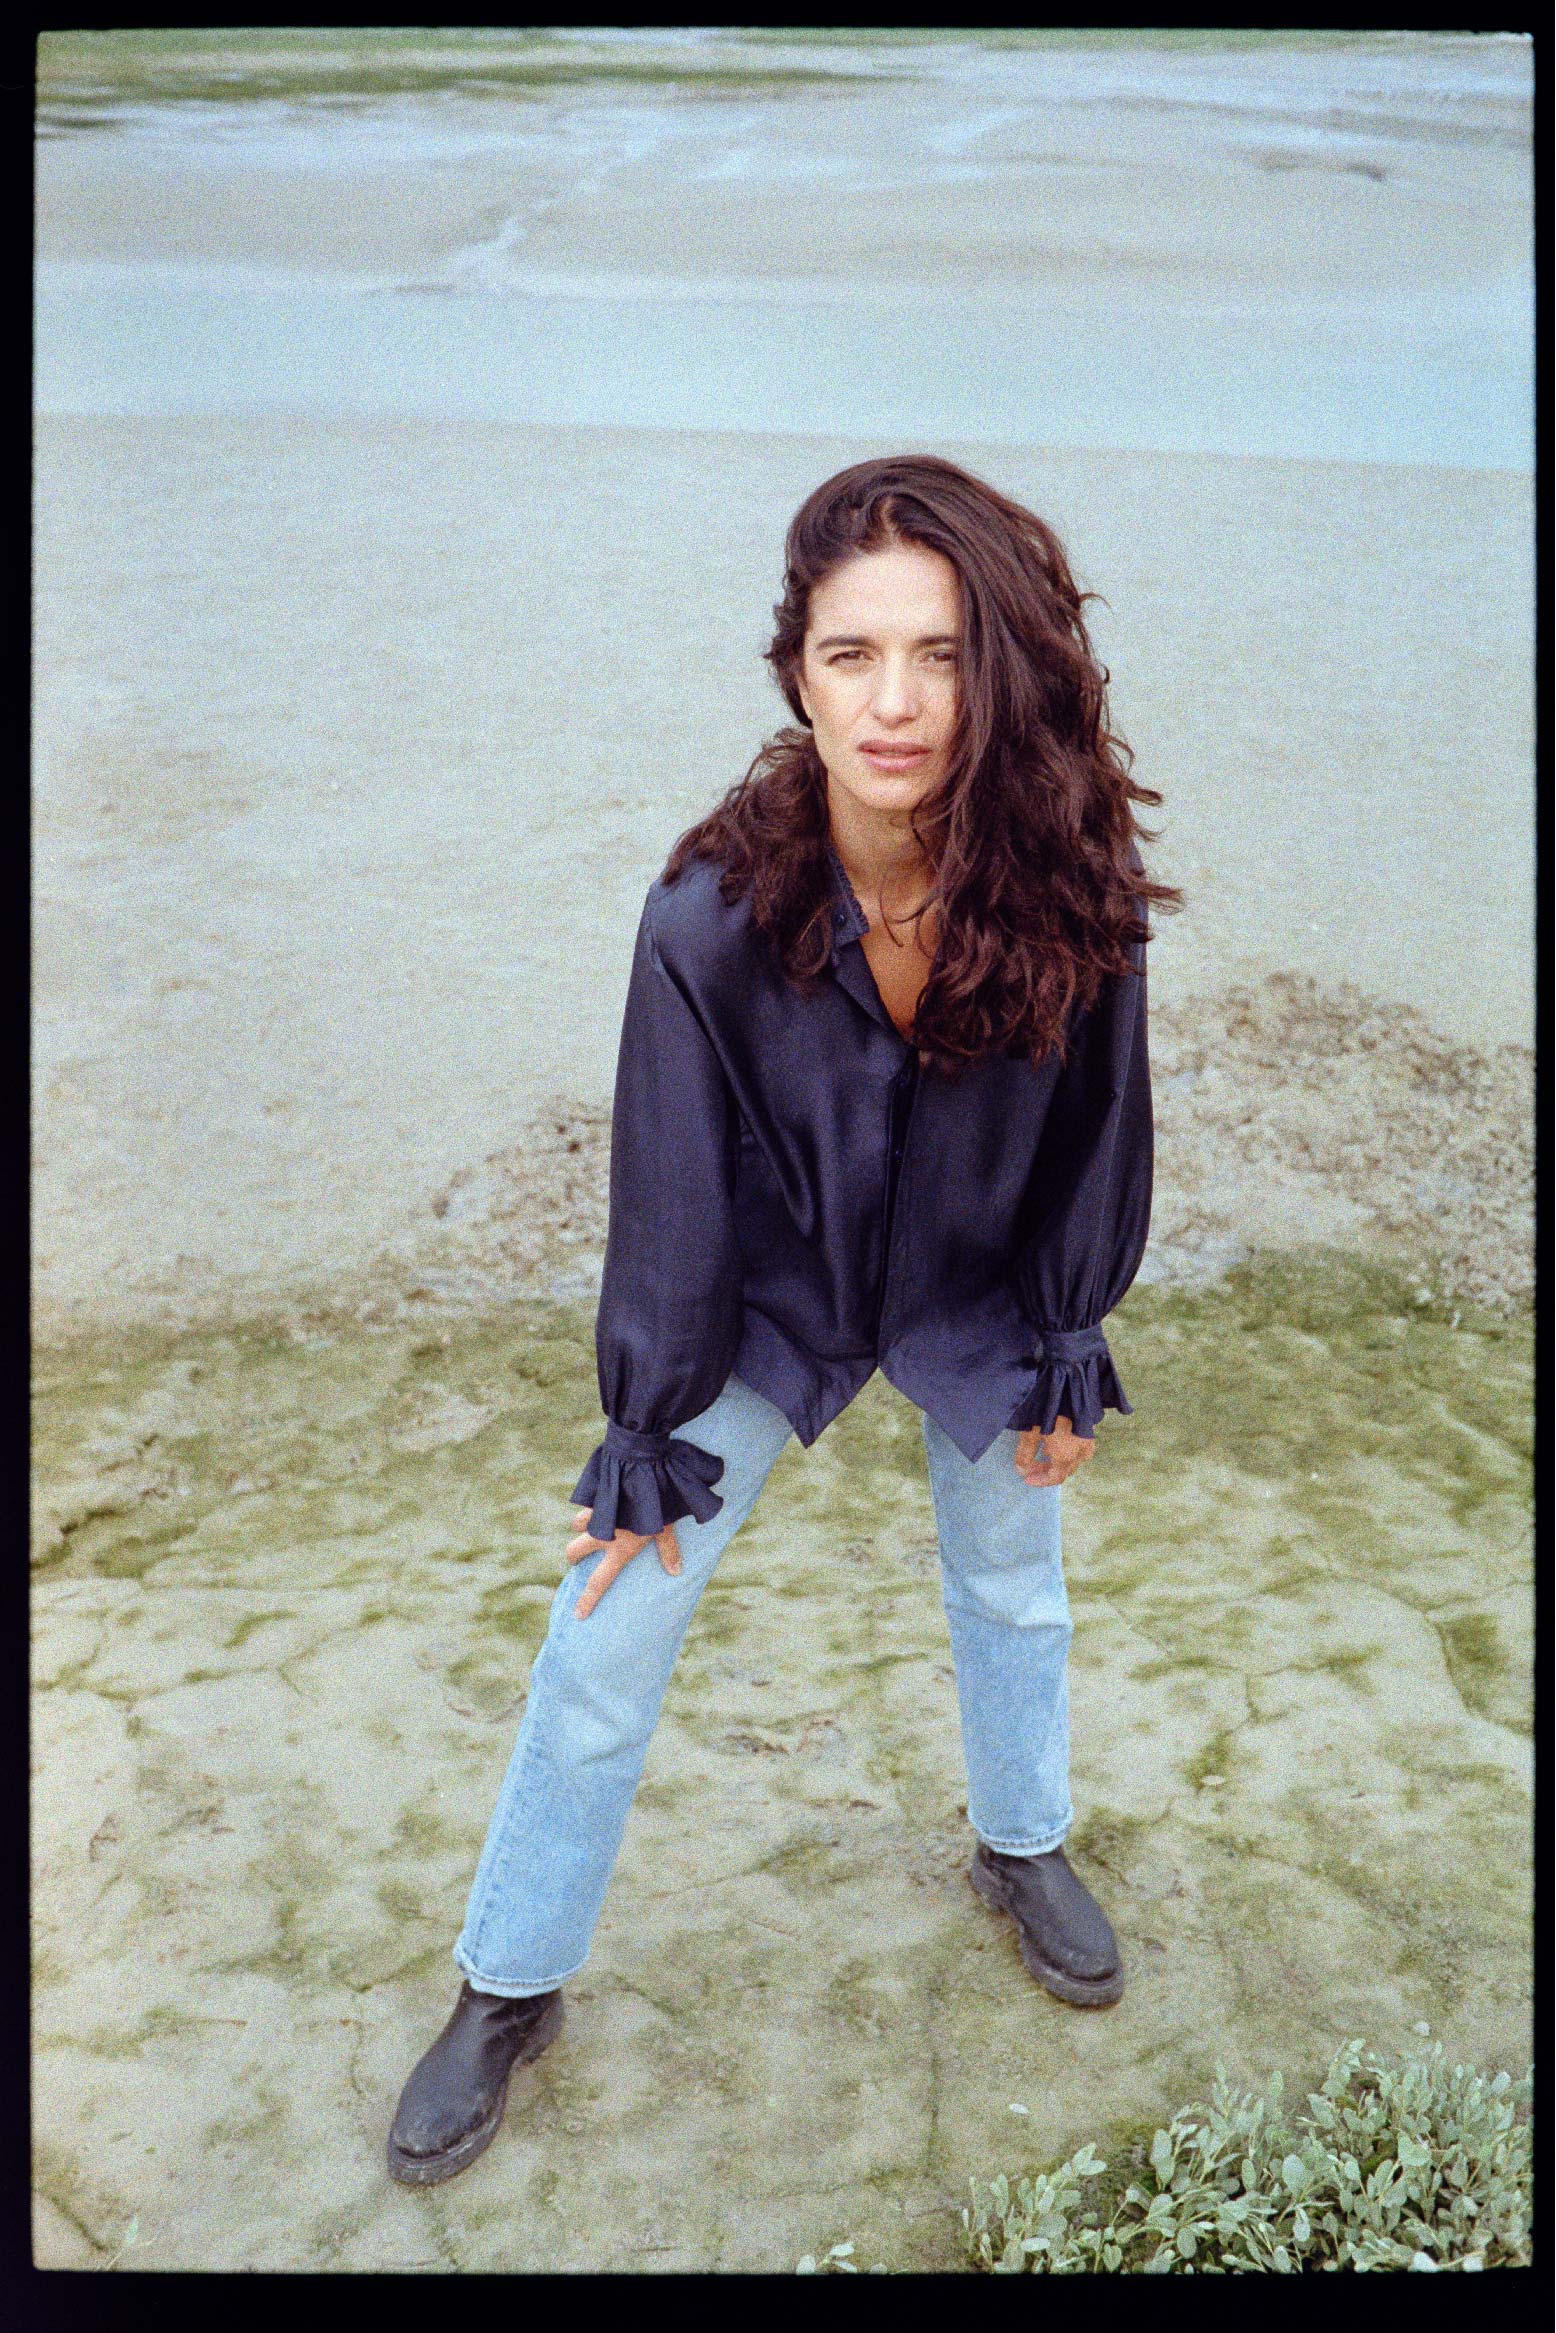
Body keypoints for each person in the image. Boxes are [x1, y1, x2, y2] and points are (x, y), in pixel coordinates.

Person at [387, 453, 1180, 2185]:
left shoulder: (1073, 881)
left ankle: (1019, 1842)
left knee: (1013, 1580)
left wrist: (1064, 1337)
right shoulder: (704, 917)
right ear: (794, 672)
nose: (897, 702)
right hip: (765, 1304)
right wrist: (649, 1429)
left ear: (1003, 666)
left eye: (943, 653)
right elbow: (667, 1194)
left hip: (980, 1289)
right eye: (851, 655)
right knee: (600, 1635)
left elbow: (1100, 1119)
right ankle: (510, 1981)